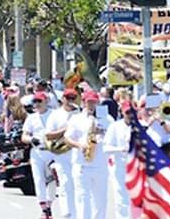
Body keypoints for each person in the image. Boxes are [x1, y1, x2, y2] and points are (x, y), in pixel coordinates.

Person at [64, 91, 111, 219]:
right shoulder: (76, 119)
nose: (92, 105)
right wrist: (79, 145)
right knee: (82, 199)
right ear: (84, 102)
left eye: (94, 102)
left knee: (100, 201)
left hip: (100, 164)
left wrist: (101, 132)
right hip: (81, 164)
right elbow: (67, 138)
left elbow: (112, 138)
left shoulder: (107, 119)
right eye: (89, 102)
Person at [43, 89, 80, 219]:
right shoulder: (56, 115)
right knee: (65, 183)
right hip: (62, 154)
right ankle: (67, 213)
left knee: (78, 185)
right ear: (62, 99)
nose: (71, 101)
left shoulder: (80, 113)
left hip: (77, 154)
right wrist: (66, 128)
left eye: (73, 98)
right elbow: (48, 135)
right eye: (68, 98)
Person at [21, 92, 56, 218]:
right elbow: (24, 136)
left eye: (39, 101)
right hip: (37, 151)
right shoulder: (31, 118)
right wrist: (31, 140)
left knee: (53, 180)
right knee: (39, 179)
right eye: (35, 101)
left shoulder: (54, 115)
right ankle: (44, 208)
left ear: (46, 101)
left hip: (52, 151)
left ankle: (49, 204)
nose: (37, 104)